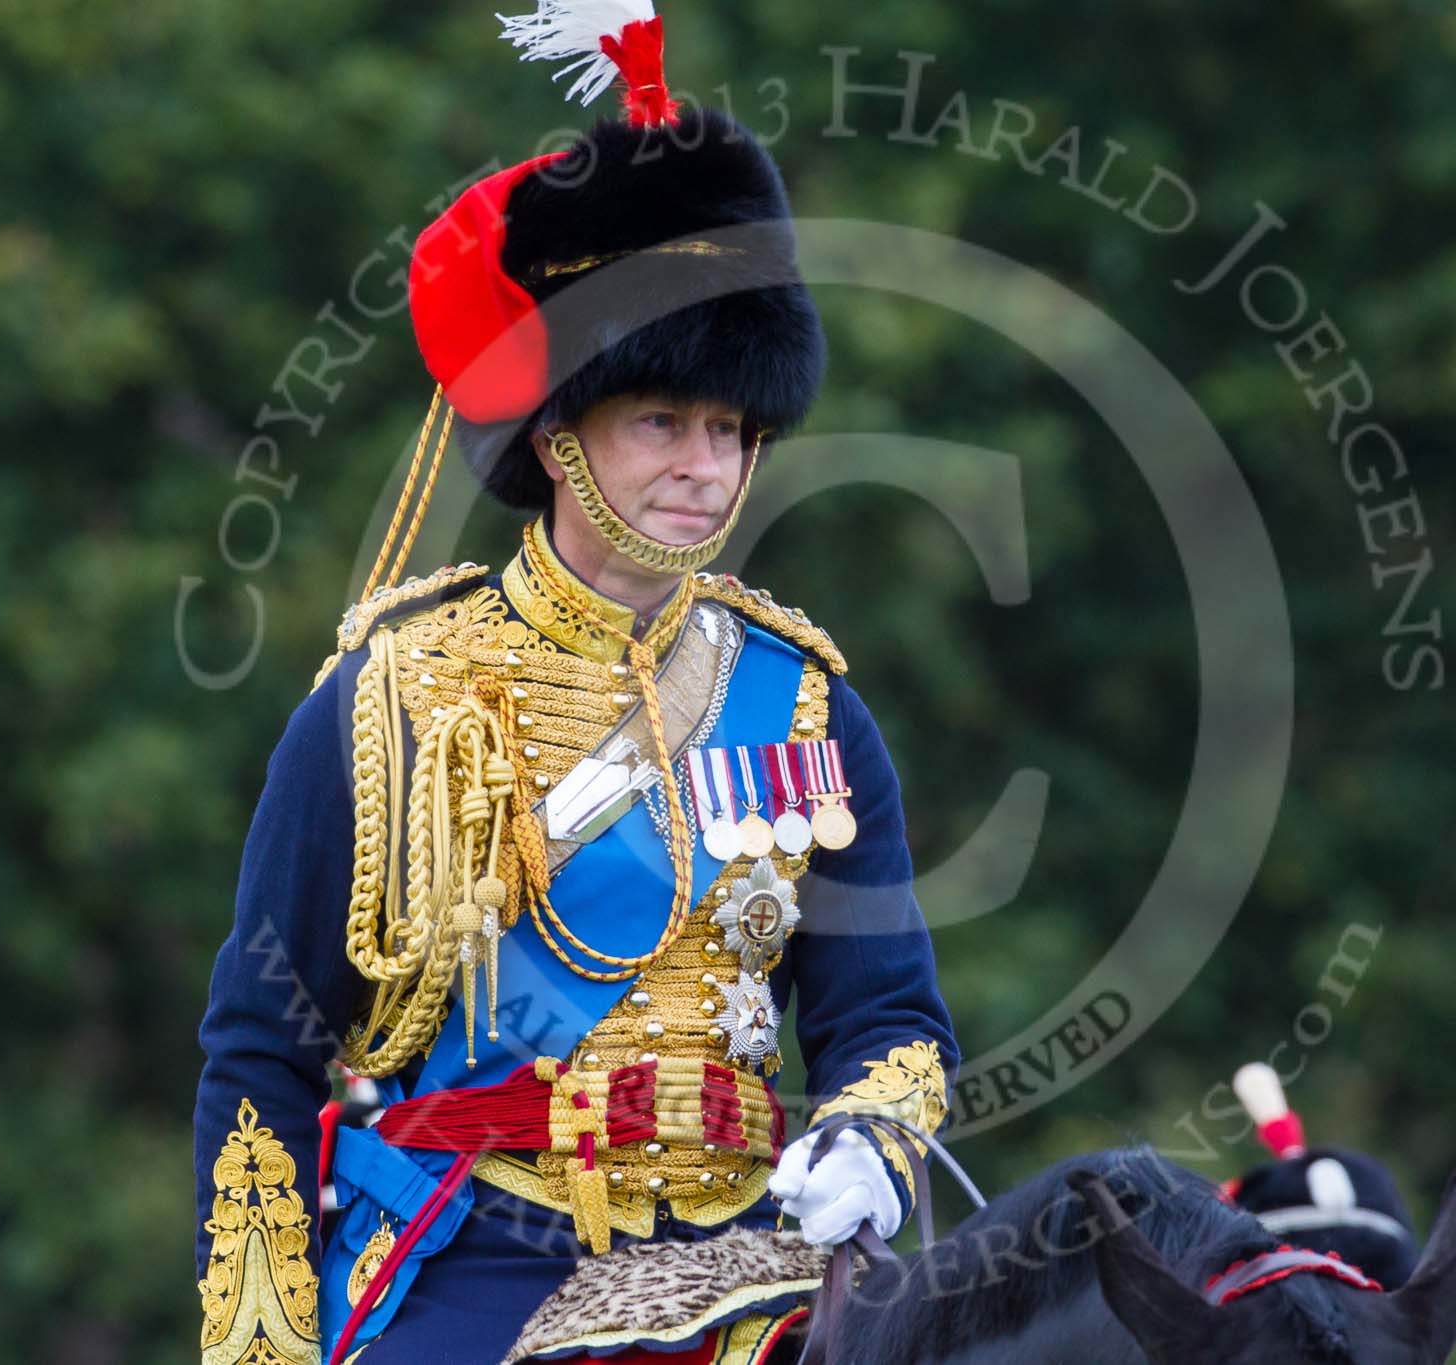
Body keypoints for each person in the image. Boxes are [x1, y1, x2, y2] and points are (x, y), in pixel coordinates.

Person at [191, 7, 958, 1363]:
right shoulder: (393, 701)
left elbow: (885, 1013)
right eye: (663, 419)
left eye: (730, 428)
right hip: (476, 1251)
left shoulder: (807, 705)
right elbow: (264, 1044)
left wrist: (873, 1140)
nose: (705, 467)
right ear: (558, 436)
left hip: (753, 1252)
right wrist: (261, 1339)